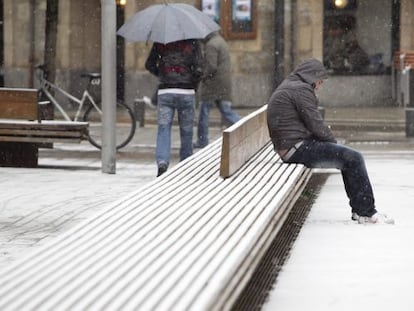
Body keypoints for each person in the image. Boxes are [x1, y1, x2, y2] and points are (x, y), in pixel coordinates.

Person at [266, 58, 394, 224]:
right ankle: (366, 213)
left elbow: (312, 125)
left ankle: (361, 210)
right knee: (353, 158)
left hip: (291, 144)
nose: (320, 86)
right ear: (312, 78)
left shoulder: (293, 85)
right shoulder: (301, 90)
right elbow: (316, 124)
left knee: (347, 157)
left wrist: (334, 146)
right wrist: (334, 144)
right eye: (320, 81)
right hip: (295, 149)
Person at [145, 39, 203, 177]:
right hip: (186, 91)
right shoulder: (193, 42)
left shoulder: (161, 42)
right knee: (187, 131)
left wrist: (163, 75)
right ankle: (186, 165)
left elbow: (149, 64)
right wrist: (192, 83)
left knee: (163, 129)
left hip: (166, 91)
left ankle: (162, 163)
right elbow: (199, 69)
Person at [194, 31, 241, 148]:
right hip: (223, 83)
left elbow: (211, 66)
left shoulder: (211, 45)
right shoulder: (220, 40)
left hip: (213, 85)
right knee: (226, 111)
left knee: (204, 113)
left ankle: (202, 140)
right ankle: (243, 126)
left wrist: (203, 76)